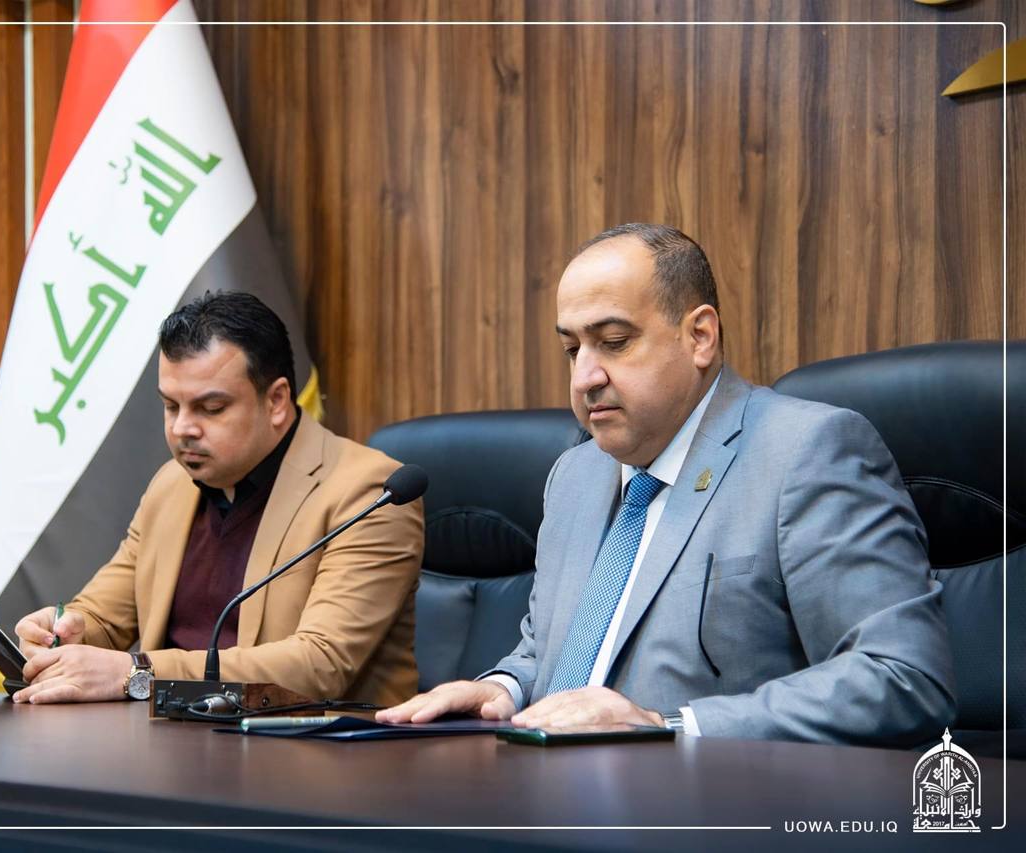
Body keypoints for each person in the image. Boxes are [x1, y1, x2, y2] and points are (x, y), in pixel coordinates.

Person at [379, 223, 956, 744]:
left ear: (700, 336)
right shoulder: (575, 474)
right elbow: (556, 655)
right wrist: (503, 689)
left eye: (614, 341)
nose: (584, 378)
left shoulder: (805, 452)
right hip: (550, 793)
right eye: (572, 349)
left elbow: (902, 677)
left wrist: (667, 726)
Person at [13, 292, 423, 706]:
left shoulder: (369, 493)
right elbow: (104, 617)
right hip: (167, 736)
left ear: (276, 401)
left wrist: (138, 672)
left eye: (210, 408)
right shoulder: (172, 484)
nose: (182, 429)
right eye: (171, 406)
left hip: (310, 740)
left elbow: (320, 665)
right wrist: (66, 633)